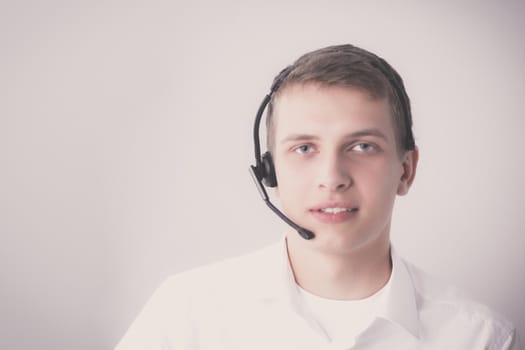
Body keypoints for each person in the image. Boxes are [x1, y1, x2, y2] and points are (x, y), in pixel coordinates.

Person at [115, 44, 519, 349]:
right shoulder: (185, 316)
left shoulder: (479, 337)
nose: (332, 178)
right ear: (269, 171)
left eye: (362, 146)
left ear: (406, 170)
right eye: (304, 148)